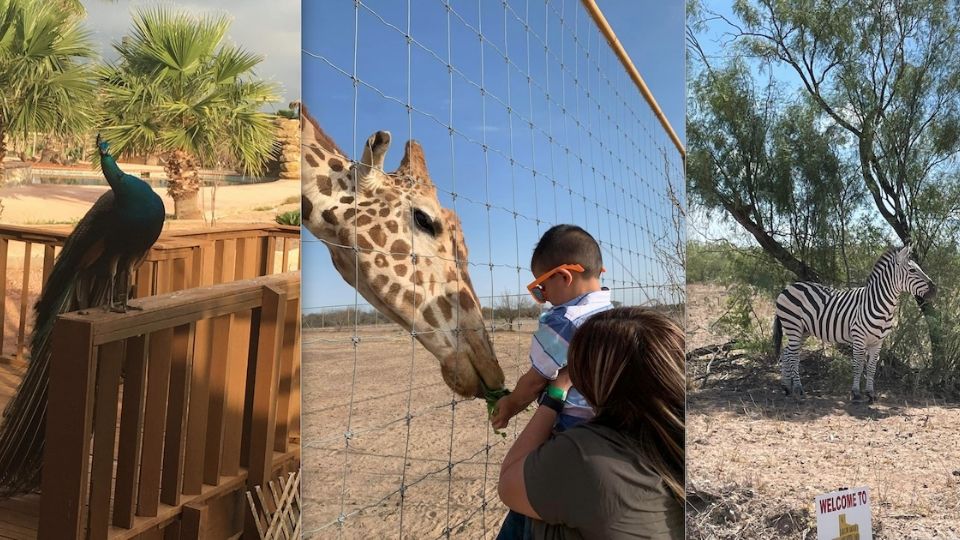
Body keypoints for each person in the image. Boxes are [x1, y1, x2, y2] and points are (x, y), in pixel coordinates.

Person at [497, 307, 685, 539]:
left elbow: (508, 485)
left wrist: (554, 397)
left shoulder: (588, 454)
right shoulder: (678, 435)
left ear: (593, 380)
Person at [491, 224, 613, 539]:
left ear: (564, 277)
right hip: (610, 436)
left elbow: (534, 382)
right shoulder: (616, 318)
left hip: (572, 438)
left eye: (540, 289)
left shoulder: (563, 323)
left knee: (523, 507)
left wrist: (509, 405)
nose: (542, 299)